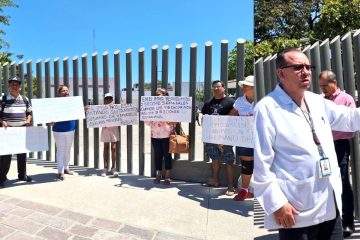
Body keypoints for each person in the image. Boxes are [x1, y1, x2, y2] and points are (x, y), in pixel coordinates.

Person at [252, 47, 360, 240]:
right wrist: (276, 204)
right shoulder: (267, 108)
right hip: (296, 209)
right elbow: (261, 165)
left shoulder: (317, 101)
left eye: (308, 66)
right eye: (298, 67)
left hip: (330, 203)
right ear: (281, 73)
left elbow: (350, 119)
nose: (306, 71)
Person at [318, 70, 355, 238]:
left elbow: (351, 124)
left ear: (334, 83)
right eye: (321, 86)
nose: (323, 89)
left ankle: (347, 222)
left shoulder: (346, 99)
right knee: (325, 182)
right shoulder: (319, 101)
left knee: (342, 181)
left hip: (339, 145)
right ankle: (331, 221)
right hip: (322, 147)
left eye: (325, 86)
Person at [202, 80, 235, 196]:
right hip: (212, 136)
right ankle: (215, 180)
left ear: (224, 88)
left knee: (229, 161)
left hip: (226, 137)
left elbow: (237, 119)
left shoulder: (231, 102)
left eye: (218, 87)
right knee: (214, 159)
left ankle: (230, 186)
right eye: (214, 87)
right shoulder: (208, 103)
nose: (216, 89)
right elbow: (204, 118)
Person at [0, 76, 33, 188]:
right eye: (12, 84)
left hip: (21, 130)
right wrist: (2, 121)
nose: (14, 86)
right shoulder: (3, 99)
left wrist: (28, 120)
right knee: (6, 156)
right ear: (9, 86)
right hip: (7, 131)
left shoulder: (25, 99)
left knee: (22, 154)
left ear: (20, 87)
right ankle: (2, 178)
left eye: (16, 84)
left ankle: (22, 175)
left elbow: (29, 112)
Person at [229, 75, 255, 201]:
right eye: (243, 85)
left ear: (254, 87)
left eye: (246, 85)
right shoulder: (239, 101)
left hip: (262, 138)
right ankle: (245, 190)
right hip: (244, 138)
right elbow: (231, 116)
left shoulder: (264, 99)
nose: (243, 87)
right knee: (247, 164)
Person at [146, 88, 175, 185]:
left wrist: (170, 121)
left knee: (167, 156)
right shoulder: (152, 107)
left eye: (159, 94)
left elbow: (174, 121)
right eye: (156, 95)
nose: (157, 96)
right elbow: (148, 123)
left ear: (164, 95)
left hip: (167, 135)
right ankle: (158, 175)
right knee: (157, 156)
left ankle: (167, 176)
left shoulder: (170, 107)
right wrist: (146, 114)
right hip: (155, 135)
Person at [51, 85, 76, 181]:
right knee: (61, 151)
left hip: (71, 129)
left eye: (67, 90)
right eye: (63, 91)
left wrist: (83, 110)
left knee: (68, 150)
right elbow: (49, 115)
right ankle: (60, 171)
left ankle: (66, 168)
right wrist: (50, 121)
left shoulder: (73, 102)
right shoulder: (54, 104)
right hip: (59, 130)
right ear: (59, 93)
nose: (66, 92)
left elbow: (77, 112)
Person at [101, 93, 119, 177]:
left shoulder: (117, 108)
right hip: (105, 129)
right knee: (105, 148)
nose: (108, 99)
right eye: (107, 98)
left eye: (110, 98)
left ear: (112, 99)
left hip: (114, 129)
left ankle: (113, 168)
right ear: (105, 99)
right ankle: (105, 168)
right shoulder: (101, 109)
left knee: (114, 148)